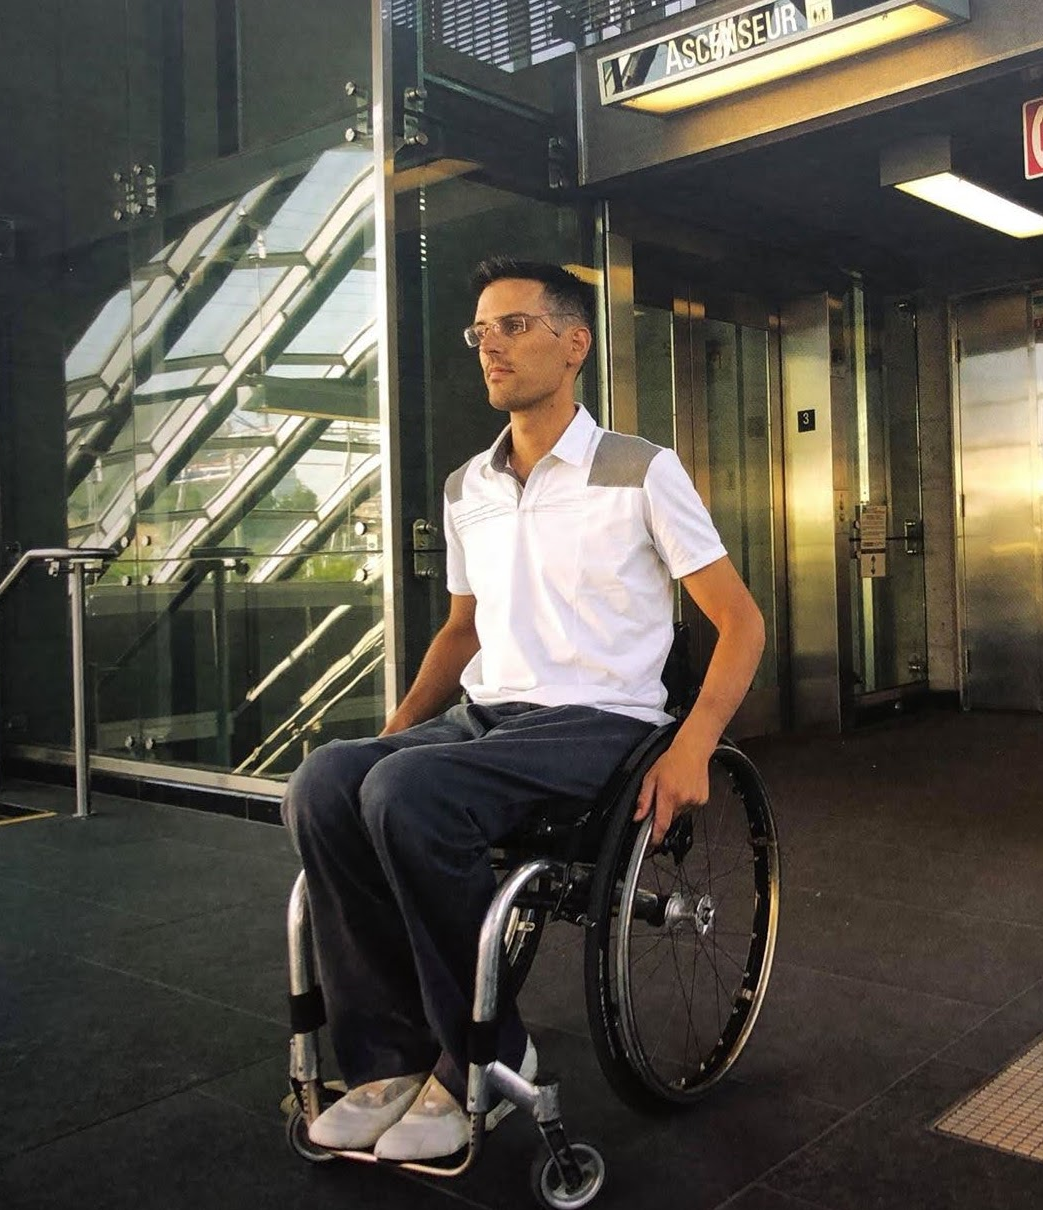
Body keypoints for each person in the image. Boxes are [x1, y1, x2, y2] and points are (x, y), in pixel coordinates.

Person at [283, 256, 765, 1161]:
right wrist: (392, 734)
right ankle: (390, 1055)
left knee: (406, 795)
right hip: (486, 716)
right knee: (323, 784)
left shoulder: (640, 470)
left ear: (574, 343)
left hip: (601, 722)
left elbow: (741, 622)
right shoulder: (469, 487)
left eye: (512, 326)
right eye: (480, 332)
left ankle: (486, 1053)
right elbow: (462, 632)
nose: (489, 347)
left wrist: (696, 740)